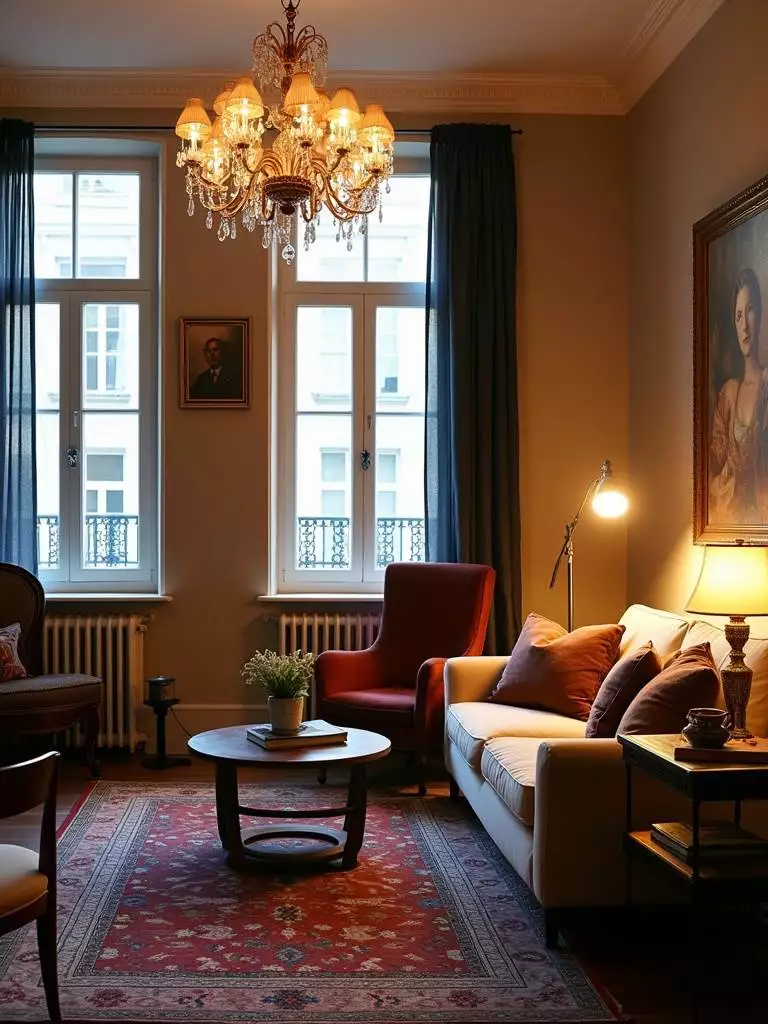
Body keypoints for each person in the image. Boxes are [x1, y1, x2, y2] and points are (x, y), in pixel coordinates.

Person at [709, 268, 768, 524]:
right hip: (726, 515)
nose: (745, 325)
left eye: (751, 310)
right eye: (738, 315)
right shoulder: (728, 392)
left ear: (762, 315)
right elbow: (713, 460)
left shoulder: (766, 385)